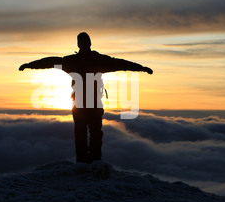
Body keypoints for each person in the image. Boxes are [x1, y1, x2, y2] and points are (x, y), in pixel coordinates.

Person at [19, 32, 153, 163]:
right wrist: (29, 65)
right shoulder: (91, 60)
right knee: (87, 133)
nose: (83, 44)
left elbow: (121, 64)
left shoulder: (77, 61)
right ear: (87, 43)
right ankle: (89, 162)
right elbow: (50, 61)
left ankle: (87, 162)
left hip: (85, 103)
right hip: (85, 103)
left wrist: (141, 68)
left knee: (87, 133)